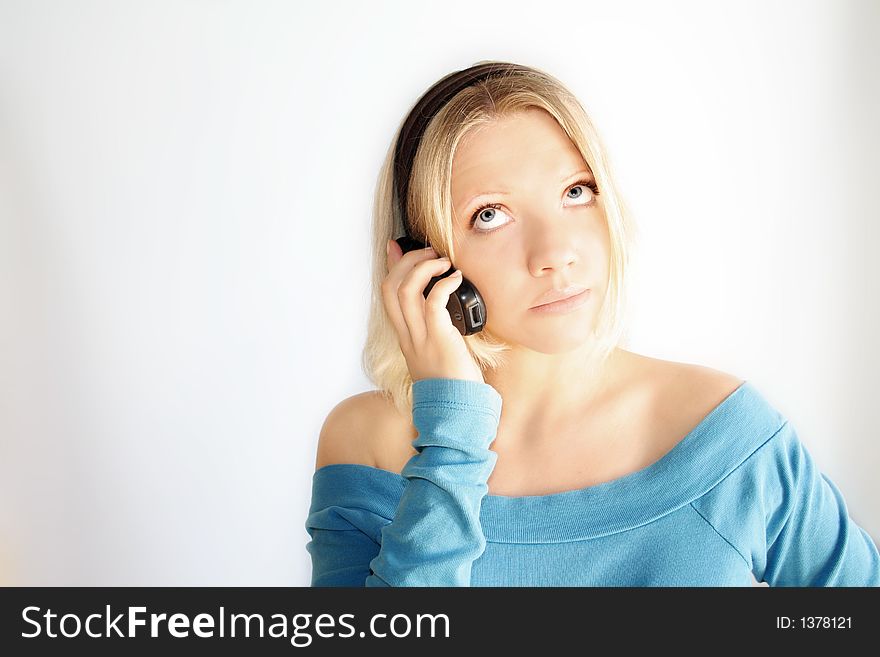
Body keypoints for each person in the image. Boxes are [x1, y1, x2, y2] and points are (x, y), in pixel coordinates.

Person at [304, 60, 880, 586]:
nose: (554, 252)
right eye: (491, 214)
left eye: (576, 192)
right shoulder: (365, 445)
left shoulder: (725, 435)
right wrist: (451, 437)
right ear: (420, 259)